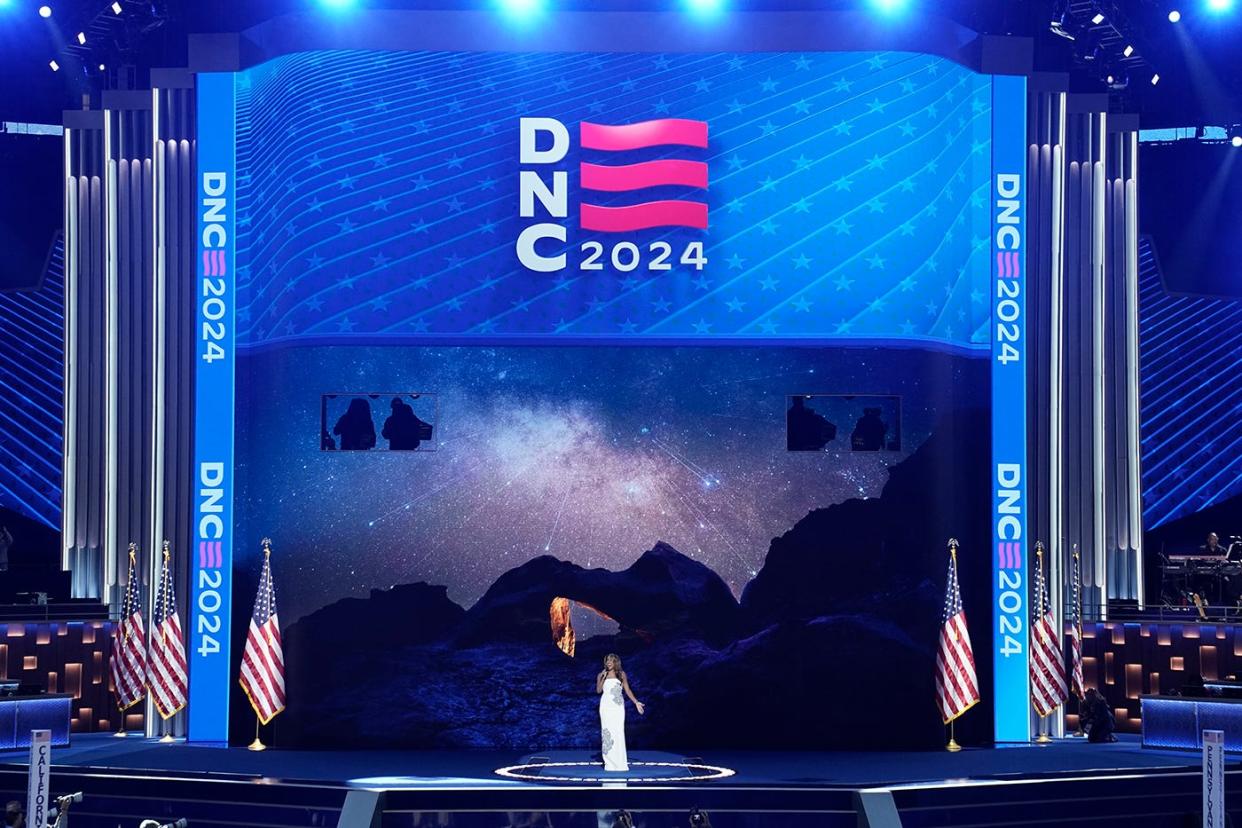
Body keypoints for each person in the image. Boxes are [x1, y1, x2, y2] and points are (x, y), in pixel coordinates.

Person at [596, 653, 644, 772]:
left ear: (615, 662)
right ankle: (609, 763)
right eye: (607, 660)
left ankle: (620, 762)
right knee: (607, 732)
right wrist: (601, 677)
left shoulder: (621, 674)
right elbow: (598, 690)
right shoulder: (601, 675)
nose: (608, 662)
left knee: (618, 732)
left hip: (617, 707)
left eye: (611, 660)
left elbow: (627, 689)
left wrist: (636, 702)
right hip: (605, 707)